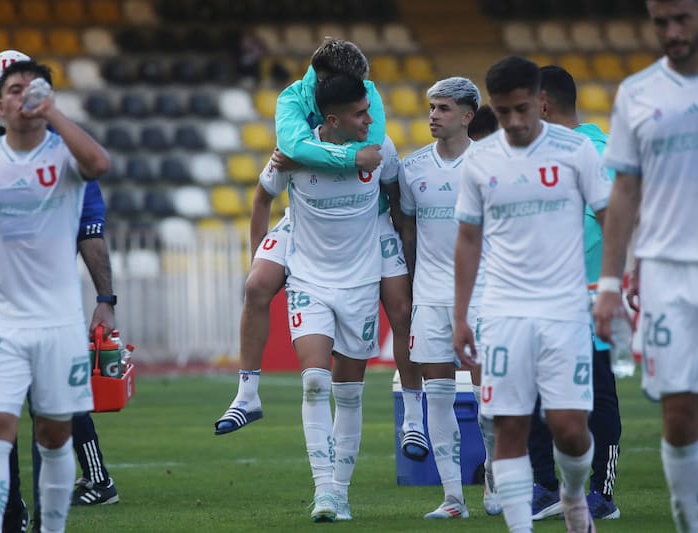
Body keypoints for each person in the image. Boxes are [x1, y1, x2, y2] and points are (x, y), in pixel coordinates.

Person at [0, 50, 117, 533]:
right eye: (12, 90)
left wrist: (105, 300)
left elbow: (100, 164)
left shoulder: (67, 154)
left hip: (57, 322)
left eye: (32, 89)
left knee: (53, 434)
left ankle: (48, 525)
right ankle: (2, 523)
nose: (23, 98)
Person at [214, 38, 427, 462]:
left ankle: (415, 417)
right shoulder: (293, 100)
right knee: (257, 285)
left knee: (403, 310)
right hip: (306, 221)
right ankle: (247, 394)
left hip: (371, 221)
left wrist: (410, 253)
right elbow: (282, 166)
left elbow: (377, 160)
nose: (366, 110)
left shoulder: (367, 106)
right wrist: (259, 253)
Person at [453, 56, 611, 533]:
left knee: (569, 429)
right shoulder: (480, 159)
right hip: (503, 312)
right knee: (510, 426)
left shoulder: (576, 151)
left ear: (541, 101)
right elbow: (468, 238)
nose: (515, 122)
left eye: (523, 109)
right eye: (504, 113)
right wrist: (461, 315)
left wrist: (612, 285)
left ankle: (574, 494)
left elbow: (609, 216)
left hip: (565, 310)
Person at [593, 0, 698, 530]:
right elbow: (623, 191)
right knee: (679, 417)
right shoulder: (637, 93)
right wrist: (609, 282)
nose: (671, 31)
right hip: (665, 272)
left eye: (681, 19)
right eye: (659, 22)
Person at [257, 74, 400, 522]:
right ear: (333, 120)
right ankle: (324, 492)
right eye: (361, 114)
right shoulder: (293, 153)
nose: (370, 121)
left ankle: (341, 491)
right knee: (315, 381)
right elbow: (263, 194)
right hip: (309, 281)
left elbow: (399, 200)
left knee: (350, 392)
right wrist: (262, 253)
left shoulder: (381, 150)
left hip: (359, 284)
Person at [398, 76, 501, 518]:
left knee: (489, 399)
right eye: (431, 107)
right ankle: (454, 498)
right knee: (437, 396)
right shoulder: (412, 167)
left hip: (483, 296)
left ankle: (494, 478)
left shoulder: (491, 163)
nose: (433, 115)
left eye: (442, 108)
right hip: (430, 297)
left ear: (467, 115)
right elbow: (407, 231)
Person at [528, 65, 622, 521]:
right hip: (541, 294)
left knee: (597, 390)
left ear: (542, 103)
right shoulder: (543, 153)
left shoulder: (596, 151)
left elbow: (605, 224)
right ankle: (545, 486)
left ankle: (602, 492)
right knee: (532, 389)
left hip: (586, 293)